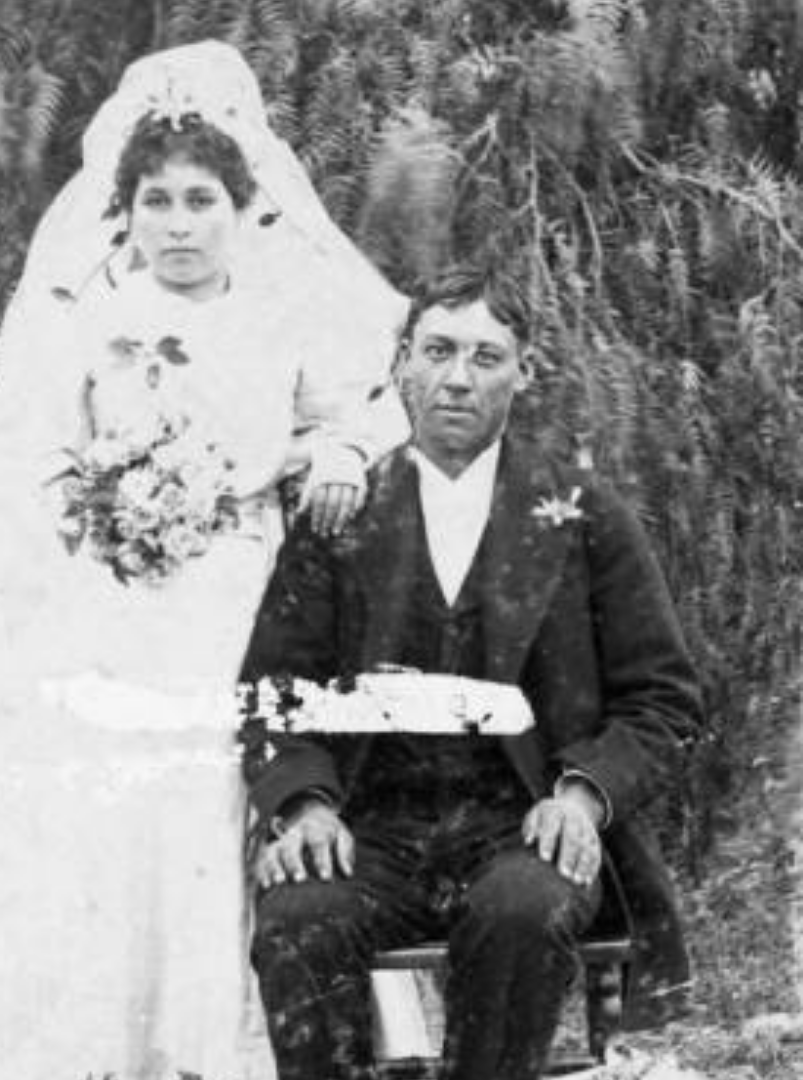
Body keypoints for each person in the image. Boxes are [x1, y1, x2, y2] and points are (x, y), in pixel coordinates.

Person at [0, 41, 408, 1080]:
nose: (177, 223)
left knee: (215, 747)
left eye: (200, 199)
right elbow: (30, 450)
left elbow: (372, 410)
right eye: (157, 201)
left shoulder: (287, 313)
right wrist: (98, 506)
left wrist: (339, 449)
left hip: (244, 581)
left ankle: (216, 1039)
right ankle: (100, 1036)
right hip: (113, 582)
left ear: (241, 206)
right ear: (123, 211)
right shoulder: (92, 320)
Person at [241, 264, 704, 1080]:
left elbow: (663, 699)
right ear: (401, 365)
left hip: (520, 821)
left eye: (487, 357)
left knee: (525, 912)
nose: (458, 377)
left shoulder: (586, 514)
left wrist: (582, 796)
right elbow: (274, 693)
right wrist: (306, 805)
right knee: (301, 914)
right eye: (438, 350)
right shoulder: (339, 516)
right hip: (371, 824)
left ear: (524, 373)